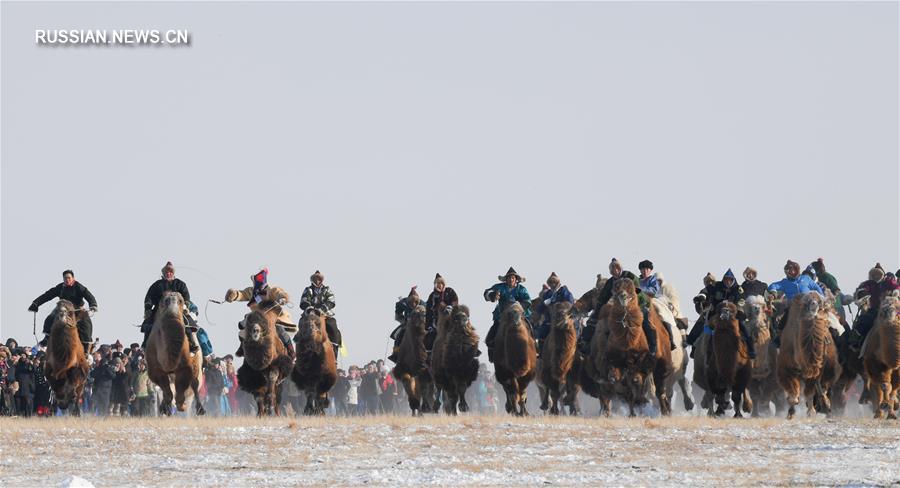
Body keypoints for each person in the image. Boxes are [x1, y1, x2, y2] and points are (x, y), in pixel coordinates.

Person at [225, 267, 296, 359]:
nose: (259, 292)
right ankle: (243, 347)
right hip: (256, 317)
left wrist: (282, 297)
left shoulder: (271, 290)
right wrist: (234, 295)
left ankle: (290, 349)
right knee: (244, 330)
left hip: (272, 317)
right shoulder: (251, 291)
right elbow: (242, 294)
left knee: (279, 329)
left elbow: (279, 293)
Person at [29, 269, 98, 354]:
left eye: (69, 278)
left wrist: (93, 304)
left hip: (77, 309)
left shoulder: (78, 286)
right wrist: (36, 304)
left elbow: (88, 295)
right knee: (49, 318)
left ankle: (86, 345)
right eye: (65, 278)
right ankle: (47, 338)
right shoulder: (60, 287)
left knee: (86, 323)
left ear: (73, 278)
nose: (67, 280)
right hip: (62, 309)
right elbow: (48, 295)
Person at [141, 262, 199, 353]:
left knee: (187, 323)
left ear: (173, 273)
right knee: (149, 324)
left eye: (170, 271)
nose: (168, 273)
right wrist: (148, 309)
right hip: (160, 309)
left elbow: (186, 297)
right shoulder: (157, 285)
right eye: (167, 271)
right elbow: (149, 298)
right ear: (164, 273)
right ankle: (145, 344)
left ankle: (191, 343)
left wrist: (185, 306)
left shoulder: (180, 284)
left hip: (178, 309)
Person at [767, 260, 825, 345]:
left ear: (797, 269)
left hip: (809, 305)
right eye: (789, 270)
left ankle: (829, 337)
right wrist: (773, 293)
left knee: (823, 320)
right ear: (786, 272)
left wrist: (821, 297)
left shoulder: (805, 278)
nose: (792, 271)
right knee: (782, 323)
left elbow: (816, 287)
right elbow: (773, 285)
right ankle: (779, 340)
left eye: (793, 269)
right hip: (793, 307)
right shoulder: (785, 282)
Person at [483, 267, 532, 362]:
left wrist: (518, 307)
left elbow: (527, 301)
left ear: (516, 279)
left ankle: (534, 347)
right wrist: (492, 295)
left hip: (519, 316)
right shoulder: (500, 287)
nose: (510, 279)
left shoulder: (521, 289)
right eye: (509, 277)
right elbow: (487, 292)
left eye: (513, 277)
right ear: (506, 279)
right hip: (501, 316)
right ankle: (492, 352)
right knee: (491, 334)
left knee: (530, 328)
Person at [849, 264, 899, 349]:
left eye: (878, 274)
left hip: (891, 308)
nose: (876, 276)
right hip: (875, 310)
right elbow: (862, 290)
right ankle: (856, 343)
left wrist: (895, 292)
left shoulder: (888, 281)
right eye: (874, 274)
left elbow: (896, 287)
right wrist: (862, 293)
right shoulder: (868, 284)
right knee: (865, 322)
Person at [298, 270, 342, 359]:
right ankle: (299, 351)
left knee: (333, 326)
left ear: (322, 280)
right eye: (315, 279)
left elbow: (331, 301)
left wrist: (321, 309)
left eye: (319, 279)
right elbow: (304, 302)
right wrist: (310, 309)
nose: (317, 281)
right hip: (310, 314)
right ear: (312, 280)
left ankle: (334, 352)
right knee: (301, 325)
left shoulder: (327, 289)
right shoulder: (308, 289)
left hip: (325, 315)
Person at [637, 260, 676, 351]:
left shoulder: (653, 279)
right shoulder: (638, 280)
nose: (645, 271)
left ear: (650, 270)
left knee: (662, 314)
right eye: (643, 269)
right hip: (640, 302)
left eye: (647, 269)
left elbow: (653, 290)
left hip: (653, 300)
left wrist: (641, 290)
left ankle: (671, 339)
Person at [533, 272, 574, 357]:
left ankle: (572, 353)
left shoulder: (564, 291)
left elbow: (569, 303)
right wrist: (536, 315)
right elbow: (541, 306)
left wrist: (560, 307)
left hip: (562, 320)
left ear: (558, 282)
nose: (552, 284)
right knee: (541, 332)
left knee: (571, 334)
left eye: (554, 282)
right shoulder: (547, 294)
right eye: (551, 282)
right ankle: (541, 354)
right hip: (549, 320)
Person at [388, 287, 423, 363]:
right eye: (411, 302)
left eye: (415, 302)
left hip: (419, 325)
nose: (413, 304)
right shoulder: (403, 303)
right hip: (407, 325)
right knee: (399, 336)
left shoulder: (423, 304)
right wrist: (403, 320)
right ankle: (395, 353)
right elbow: (398, 313)